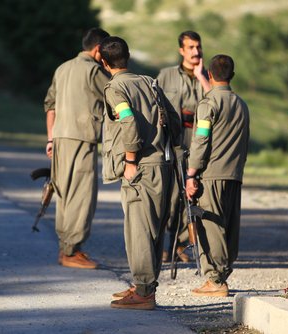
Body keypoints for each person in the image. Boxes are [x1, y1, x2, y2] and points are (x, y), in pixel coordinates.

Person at [99, 36, 181, 310]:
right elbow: (174, 120)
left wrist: (131, 160)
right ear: (128, 56)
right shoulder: (150, 82)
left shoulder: (115, 88)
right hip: (163, 165)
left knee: (138, 231)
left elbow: (128, 121)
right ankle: (144, 284)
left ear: (103, 61)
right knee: (153, 229)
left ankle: (145, 292)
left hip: (141, 168)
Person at [43, 27, 110, 269]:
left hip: (60, 137)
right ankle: (72, 251)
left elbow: (49, 105)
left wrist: (50, 138)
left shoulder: (62, 68)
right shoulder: (94, 70)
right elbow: (115, 94)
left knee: (64, 195)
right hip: (82, 138)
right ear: (98, 49)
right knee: (82, 196)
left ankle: (66, 248)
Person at [185, 54, 250, 297]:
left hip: (211, 174)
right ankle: (223, 273)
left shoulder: (208, 103)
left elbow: (201, 139)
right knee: (230, 226)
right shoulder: (242, 105)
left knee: (211, 226)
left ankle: (216, 280)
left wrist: (191, 173)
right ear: (231, 76)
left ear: (210, 75)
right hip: (234, 174)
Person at [156, 31, 211, 263]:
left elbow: (217, 103)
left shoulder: (208, 75)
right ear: (181, 50)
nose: (196, 51)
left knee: (192, 195)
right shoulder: (166, 75)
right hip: (174, 140)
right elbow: (155, 104)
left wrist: (202, 78)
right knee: (170, 196)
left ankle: (180, 245)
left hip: (199, 141)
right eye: (190, 47)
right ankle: (163, 246)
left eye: (198, 47)